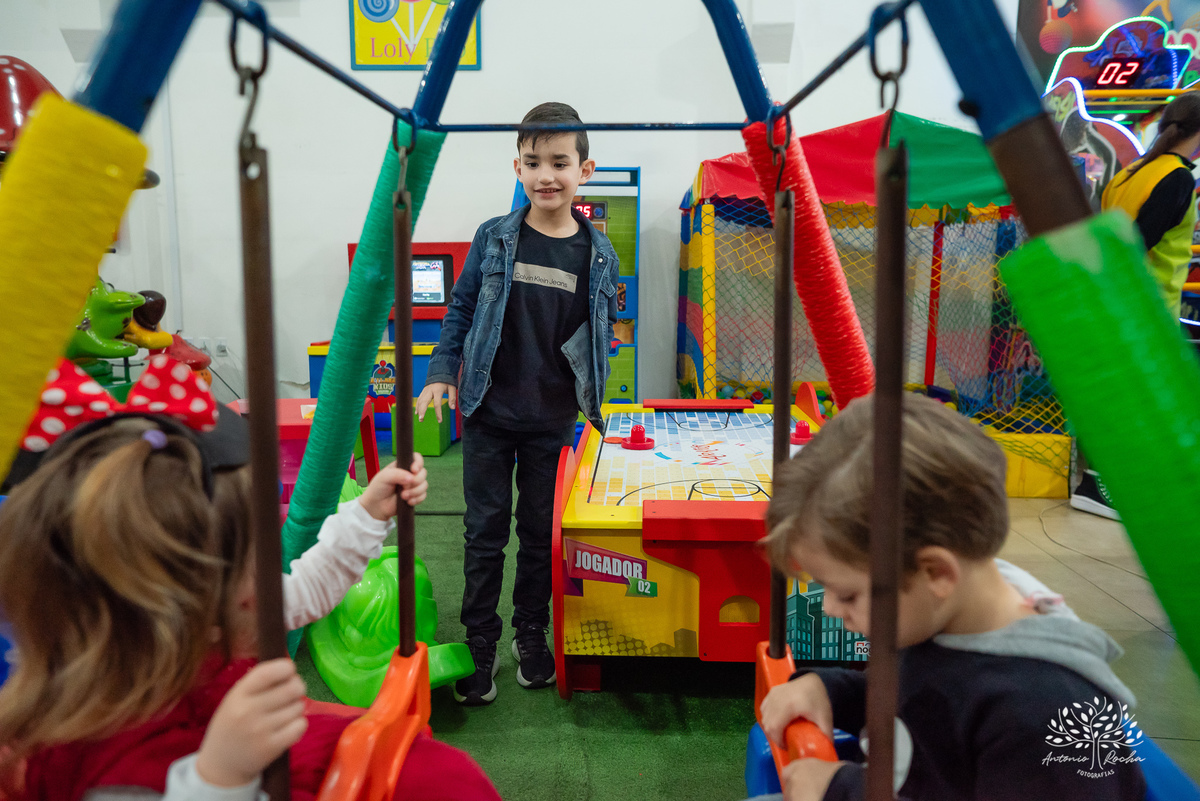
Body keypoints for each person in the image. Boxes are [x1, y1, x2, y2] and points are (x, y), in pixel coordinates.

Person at [0, 356, 500, 801]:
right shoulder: (103, 764)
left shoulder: (203, 620)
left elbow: (309, 585)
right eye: (254, 556)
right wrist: (218, 779)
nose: (269, 568)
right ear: (192, 603)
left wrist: (367, 515)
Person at [756, 394, 1146, 801]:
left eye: (846, 593)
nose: (830, 608)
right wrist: (832, 690)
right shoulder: (945, 617)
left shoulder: (1045, 711)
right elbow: (919, 701)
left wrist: (844, 791)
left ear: (936, 573)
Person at [416, 102, 620, 705]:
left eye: (560, 162)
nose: (546, 175)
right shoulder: (495, 237)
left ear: (586, 170)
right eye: (534, 163)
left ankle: (530, 634)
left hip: (553, 418)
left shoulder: (598, 252)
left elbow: (605, 323)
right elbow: (461, 306)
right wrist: (442, 370)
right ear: (518, 167)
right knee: (483, 535)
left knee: (539, 536)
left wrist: (592, 376)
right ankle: (481, 644)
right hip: (487, 411)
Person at [1083, 93, 1200, 519]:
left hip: (1119, 298)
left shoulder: (1132, 171)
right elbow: (1140, 241)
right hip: (1147, 306)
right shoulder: (1177, 180)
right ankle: (1104, 486)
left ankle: (1097, 484)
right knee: (1146, 403)